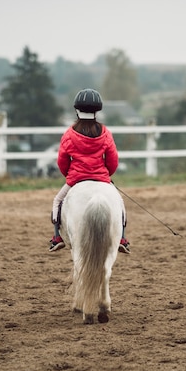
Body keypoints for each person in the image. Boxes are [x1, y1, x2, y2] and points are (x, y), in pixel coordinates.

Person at [49, 88, 130, 254]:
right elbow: (113, 161)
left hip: (75, 179)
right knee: (120, 204)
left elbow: (62, 160)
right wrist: (106, 174)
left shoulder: (69, 134)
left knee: (57, 201)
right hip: (101, 178)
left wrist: (69, 175)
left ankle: (57, 237)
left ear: (77, 110)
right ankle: (121, 238)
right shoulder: (105, 133)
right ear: (97, 111)